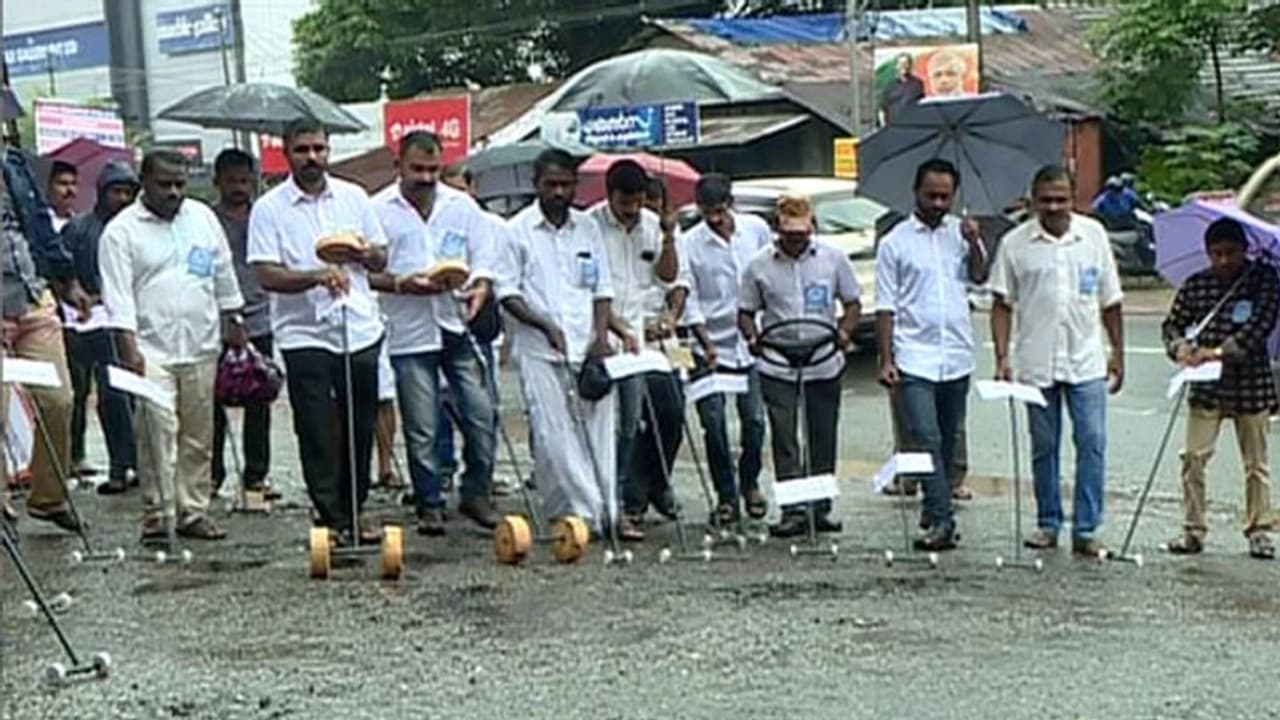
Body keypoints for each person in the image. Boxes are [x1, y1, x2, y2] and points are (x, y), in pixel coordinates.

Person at [247, 119, 389, 547]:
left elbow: (382, 258)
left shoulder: (354, 197)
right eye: (303, 150)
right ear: (286, 153)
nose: (313, 158)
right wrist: (314, 276)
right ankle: (330, 515)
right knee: (315, 426)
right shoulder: (269, 208)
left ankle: (355, 505)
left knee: (359, 422)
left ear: (329, 151)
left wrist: (363, 253)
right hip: (303, 331)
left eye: (320, 149)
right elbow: (266, 274)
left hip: (358, 325)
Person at [98, 149, 245, 542]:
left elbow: (223, 269)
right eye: (165, 185)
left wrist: (234, 316)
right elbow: (118, 297)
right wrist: (128, 348)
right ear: (143, 183)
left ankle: (192, 511)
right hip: (149, 348)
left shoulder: (202, 217)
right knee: (157, 430)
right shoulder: (121, 231)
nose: (174, 192)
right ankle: (158, 514)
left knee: (199, 433)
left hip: (201, 342)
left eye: (180, 184)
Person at [989, 164, 1124, 558]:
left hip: (1086, 360)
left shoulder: (1093, 236)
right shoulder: (1015, 244)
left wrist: (1118, 353)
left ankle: (1086, 528)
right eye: (1045, 201)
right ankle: (1048, 522)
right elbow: (1001, 304)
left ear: (1073, 197)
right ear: (1033, 201)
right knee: (1044, 446)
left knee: (1093, 441)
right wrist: (1001, 356)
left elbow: (1110, 301)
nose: (1053, 207)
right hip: (1035, 362)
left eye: (1060, 200)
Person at [372, 131, 500, 536]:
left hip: (456, 323)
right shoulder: (377, 209)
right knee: (422, 423)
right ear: (399, 167)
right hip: (408, 329)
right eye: (418, 169)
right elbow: (365, 270)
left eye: (433, 169)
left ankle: (476, 491)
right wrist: (400, 284)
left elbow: (485, 258)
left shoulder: (461, 206)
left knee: (481, 413)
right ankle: (429, 500)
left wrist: (479, 285)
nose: (427, 178)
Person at [498, 148, 617, 533]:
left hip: (587, 347)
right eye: (551, 185)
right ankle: (587, 513)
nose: (560, 192)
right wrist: (544, 324)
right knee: (554, 432)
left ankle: (601, 505)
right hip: (539, 349)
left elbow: (602, 288)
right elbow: (507, 292)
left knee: (598, 428)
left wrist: (600, 336)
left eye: (566, 185)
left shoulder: (588, 228)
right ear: (536, 185)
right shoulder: (516, 230)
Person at [875, 159, 988, 551]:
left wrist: (975, 242)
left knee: (947, 437)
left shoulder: (962, 232)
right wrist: (886, 359)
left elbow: (979, 276)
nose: (939, 203)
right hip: (914, 354)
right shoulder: (895, 242)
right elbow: (885, 305)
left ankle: (933, 504)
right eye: (931, 195)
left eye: (945, 196)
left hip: (955, 353)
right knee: (924, 436)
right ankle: (942, 519)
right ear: (916, 192)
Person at [739, 193, 861, 538]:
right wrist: (753, 338)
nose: (796, 239)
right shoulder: (759, 265)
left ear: (812, 228)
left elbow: (852, 303)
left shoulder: (833, 259)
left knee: (822, 435)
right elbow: (746, 312)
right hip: (778, 362)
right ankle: (793, 509)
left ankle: (819, 506)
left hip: (823, 360)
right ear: (778, 229)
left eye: (802, 233)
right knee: (785, 438)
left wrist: (844, 332)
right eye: (789, 232)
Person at [1161, 217, 1278, 560]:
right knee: (1193, 458)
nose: (1224, 260)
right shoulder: (1196, 285)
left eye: (1231, 253)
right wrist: (1179, 348)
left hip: (1250, 383)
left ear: (1245, 250)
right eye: (1217, 254)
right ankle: (1193, 529)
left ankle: (1259, 529)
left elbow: (1259, 326)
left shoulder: (1264, 280)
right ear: (1208, 254)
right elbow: (1172, 324)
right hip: (1205, 386)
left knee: (1256, 464)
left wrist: (1216, 352)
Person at [669, 173, 771, 524]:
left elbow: (766, 278)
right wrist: (705, 341)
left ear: (731, 205)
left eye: (719, 211)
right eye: (707, 212)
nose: (714, 219)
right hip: (706, 344)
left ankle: (750, 483)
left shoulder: (755, 230)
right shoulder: (689, 242)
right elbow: (690, 295)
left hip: (750, 341)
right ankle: (726, 496)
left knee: (755, 420)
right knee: (713, 424)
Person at [589, 159, 677, 541]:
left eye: (638, 203)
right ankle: (620, 505)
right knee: (626, 424)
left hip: (651, 338)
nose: (631, 211)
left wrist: (670, 236)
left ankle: (653, 486)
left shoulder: (654, 226)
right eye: (625, 204)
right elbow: (592, 288)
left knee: (669, 410)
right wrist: (615, 329)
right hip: (610, 339)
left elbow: (669, 276)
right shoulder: (590, 226)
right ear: (610, 196)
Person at [0, 163, 84, 534]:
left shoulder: (14, 166)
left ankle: (48, 496)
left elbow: (40, 226)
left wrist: (67, 280)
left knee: (59, 399)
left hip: (33, 296)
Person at [59, 161, 139, 494]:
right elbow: (60, 271)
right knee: (78, 396)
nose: (121, 198)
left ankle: (128, 463)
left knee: (120, 395)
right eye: (115, 191)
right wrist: (77, 295)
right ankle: (78, 456)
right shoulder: (78, 230)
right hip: (82, 323)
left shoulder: (137, 230)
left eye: (127, 192)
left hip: (125, 323)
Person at [209, 149, 278, 501]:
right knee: (212, 401)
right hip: (216, 320)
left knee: (259, 397)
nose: (239, 188)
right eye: (232, 181)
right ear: (217, 181)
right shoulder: (207, 220)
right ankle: (212, 474)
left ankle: (256, 475)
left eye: (245, 180)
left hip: (260, 317)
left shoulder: (265, 216)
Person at [879, 52, 925, 125]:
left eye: (906, 63)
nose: (903, 66)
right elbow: (882, 109)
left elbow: (922, 106)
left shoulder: (917, 84)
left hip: (913, 126)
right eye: (900, 63)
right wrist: (884, 126)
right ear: (896, 66)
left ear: (910, 65)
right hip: (894, 127)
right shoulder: (890, 86)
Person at [45, 161, 77, 233]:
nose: (70, 189)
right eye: (63, 183)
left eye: (73, 183)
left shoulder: (80, 224)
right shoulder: (41, 220)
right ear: (50, 187)